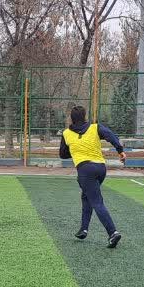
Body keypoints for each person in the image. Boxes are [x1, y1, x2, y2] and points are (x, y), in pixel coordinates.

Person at [59, 105, 126, 248]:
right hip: (101, 168)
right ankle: (83, 229)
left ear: (71, 118)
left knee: (97, 202)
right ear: (84, 116)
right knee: (86, 197)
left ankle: (113, 233)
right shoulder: (95, 127)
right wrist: (120, 151)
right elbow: (111, 136)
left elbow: (62, 155)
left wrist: (76, 149)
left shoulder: (66, 133)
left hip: (85, 170)